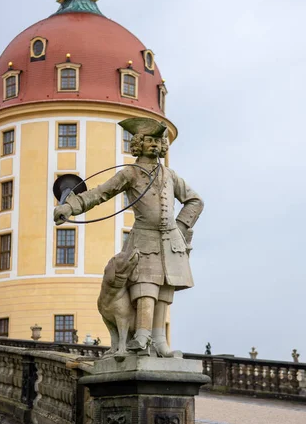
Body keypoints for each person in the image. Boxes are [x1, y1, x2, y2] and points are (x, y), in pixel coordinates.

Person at [54, 117, 204, 357]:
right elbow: (101, 193)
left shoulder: (170, 175)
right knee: (147, 288)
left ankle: (159, 340)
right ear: (138, 144)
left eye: (158, 141)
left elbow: (195, 201)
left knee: (165, 289)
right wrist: (70, 207)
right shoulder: (131, 173)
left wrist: (181, 227)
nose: (154, 145)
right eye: (148, 141)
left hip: (170, 241)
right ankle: (142, 337)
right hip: (144, 238)